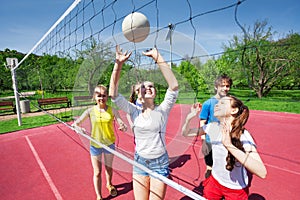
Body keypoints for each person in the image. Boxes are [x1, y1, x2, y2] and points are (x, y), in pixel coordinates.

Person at [109, 45, 179, 200]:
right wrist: (118, 64)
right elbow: (113, 94)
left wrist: (157, 57)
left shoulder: (163, 110)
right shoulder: (133, 110)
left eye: (151, 86)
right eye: (143, 87)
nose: (147, 88)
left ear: (155, 92)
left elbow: (173, 86)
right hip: (140, 161)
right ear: (138, 93)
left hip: (160, 162)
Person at [182, 96, 267, 199]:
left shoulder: (243, 135)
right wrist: (189, 117)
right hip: (215, 180)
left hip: (235, 188)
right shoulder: (214, 128)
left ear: (234, 110)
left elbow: (262, 172)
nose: (217, 105)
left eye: (222, 103)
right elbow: (186, 133)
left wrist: (229, 145)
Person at [72, 85, 127, 200]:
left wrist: (122, 126)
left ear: (107, 96)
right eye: (99, 95)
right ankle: (99, 196)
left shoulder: (113, 110)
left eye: (104, 95)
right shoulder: (90, 111)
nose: (101, 98)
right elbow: (76, 123)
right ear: (94, 97)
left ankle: (109, 184)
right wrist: (78, 128)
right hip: (95, 146)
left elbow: (121, 122)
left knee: (109, 168)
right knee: (97, 172)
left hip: (109, 144)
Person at [200, 75, 232, 178]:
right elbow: (203, 122)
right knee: (210, 165)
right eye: (222, 85)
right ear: (216, 87)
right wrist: (204, 139)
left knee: (224, 165)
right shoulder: (208, 103)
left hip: (226, 138)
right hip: (211, 138)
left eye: (227, 86)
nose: (225, 88)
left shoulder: (232, 102)